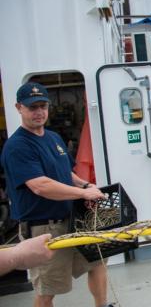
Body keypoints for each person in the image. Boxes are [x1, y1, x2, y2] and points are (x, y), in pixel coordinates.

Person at [0, 82, 112, 307]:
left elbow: (66, 173)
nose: (39, 112)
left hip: (74, 220)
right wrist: (82, 195)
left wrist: (86, 186)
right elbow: (41, 186)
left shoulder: (53, 138)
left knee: (97, 262)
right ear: (18, 108)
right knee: (48, 288)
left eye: (43, 106)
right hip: (44, 228)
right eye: (32, 107)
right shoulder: (17, 146)